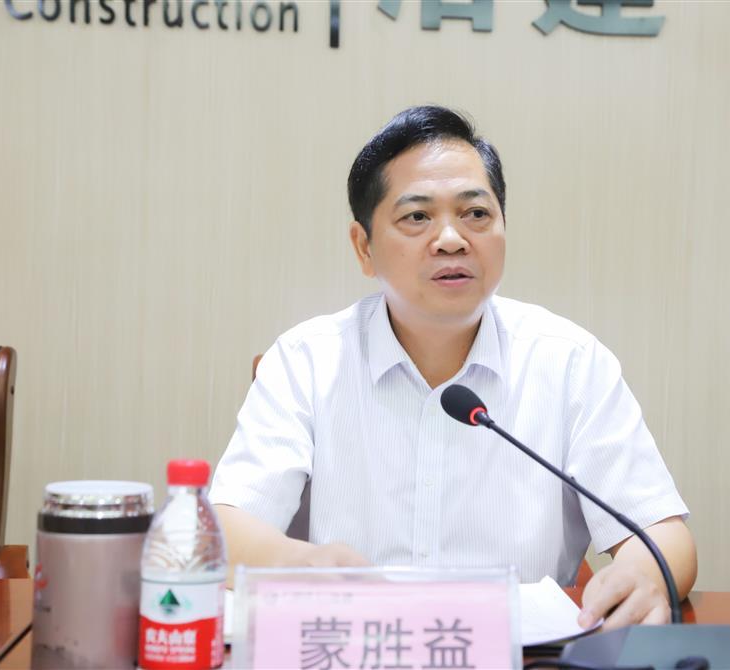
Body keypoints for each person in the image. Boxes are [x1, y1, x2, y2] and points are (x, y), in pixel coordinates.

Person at [209, 106, 696, 630]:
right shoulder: (305, 362)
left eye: (476, 214)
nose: (451, 239)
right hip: (353, 649)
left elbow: (661, 533)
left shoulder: (570, 362)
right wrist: (302, 564)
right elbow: (226, 528)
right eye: (417, 217)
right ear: (364, 247)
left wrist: (641, 575)